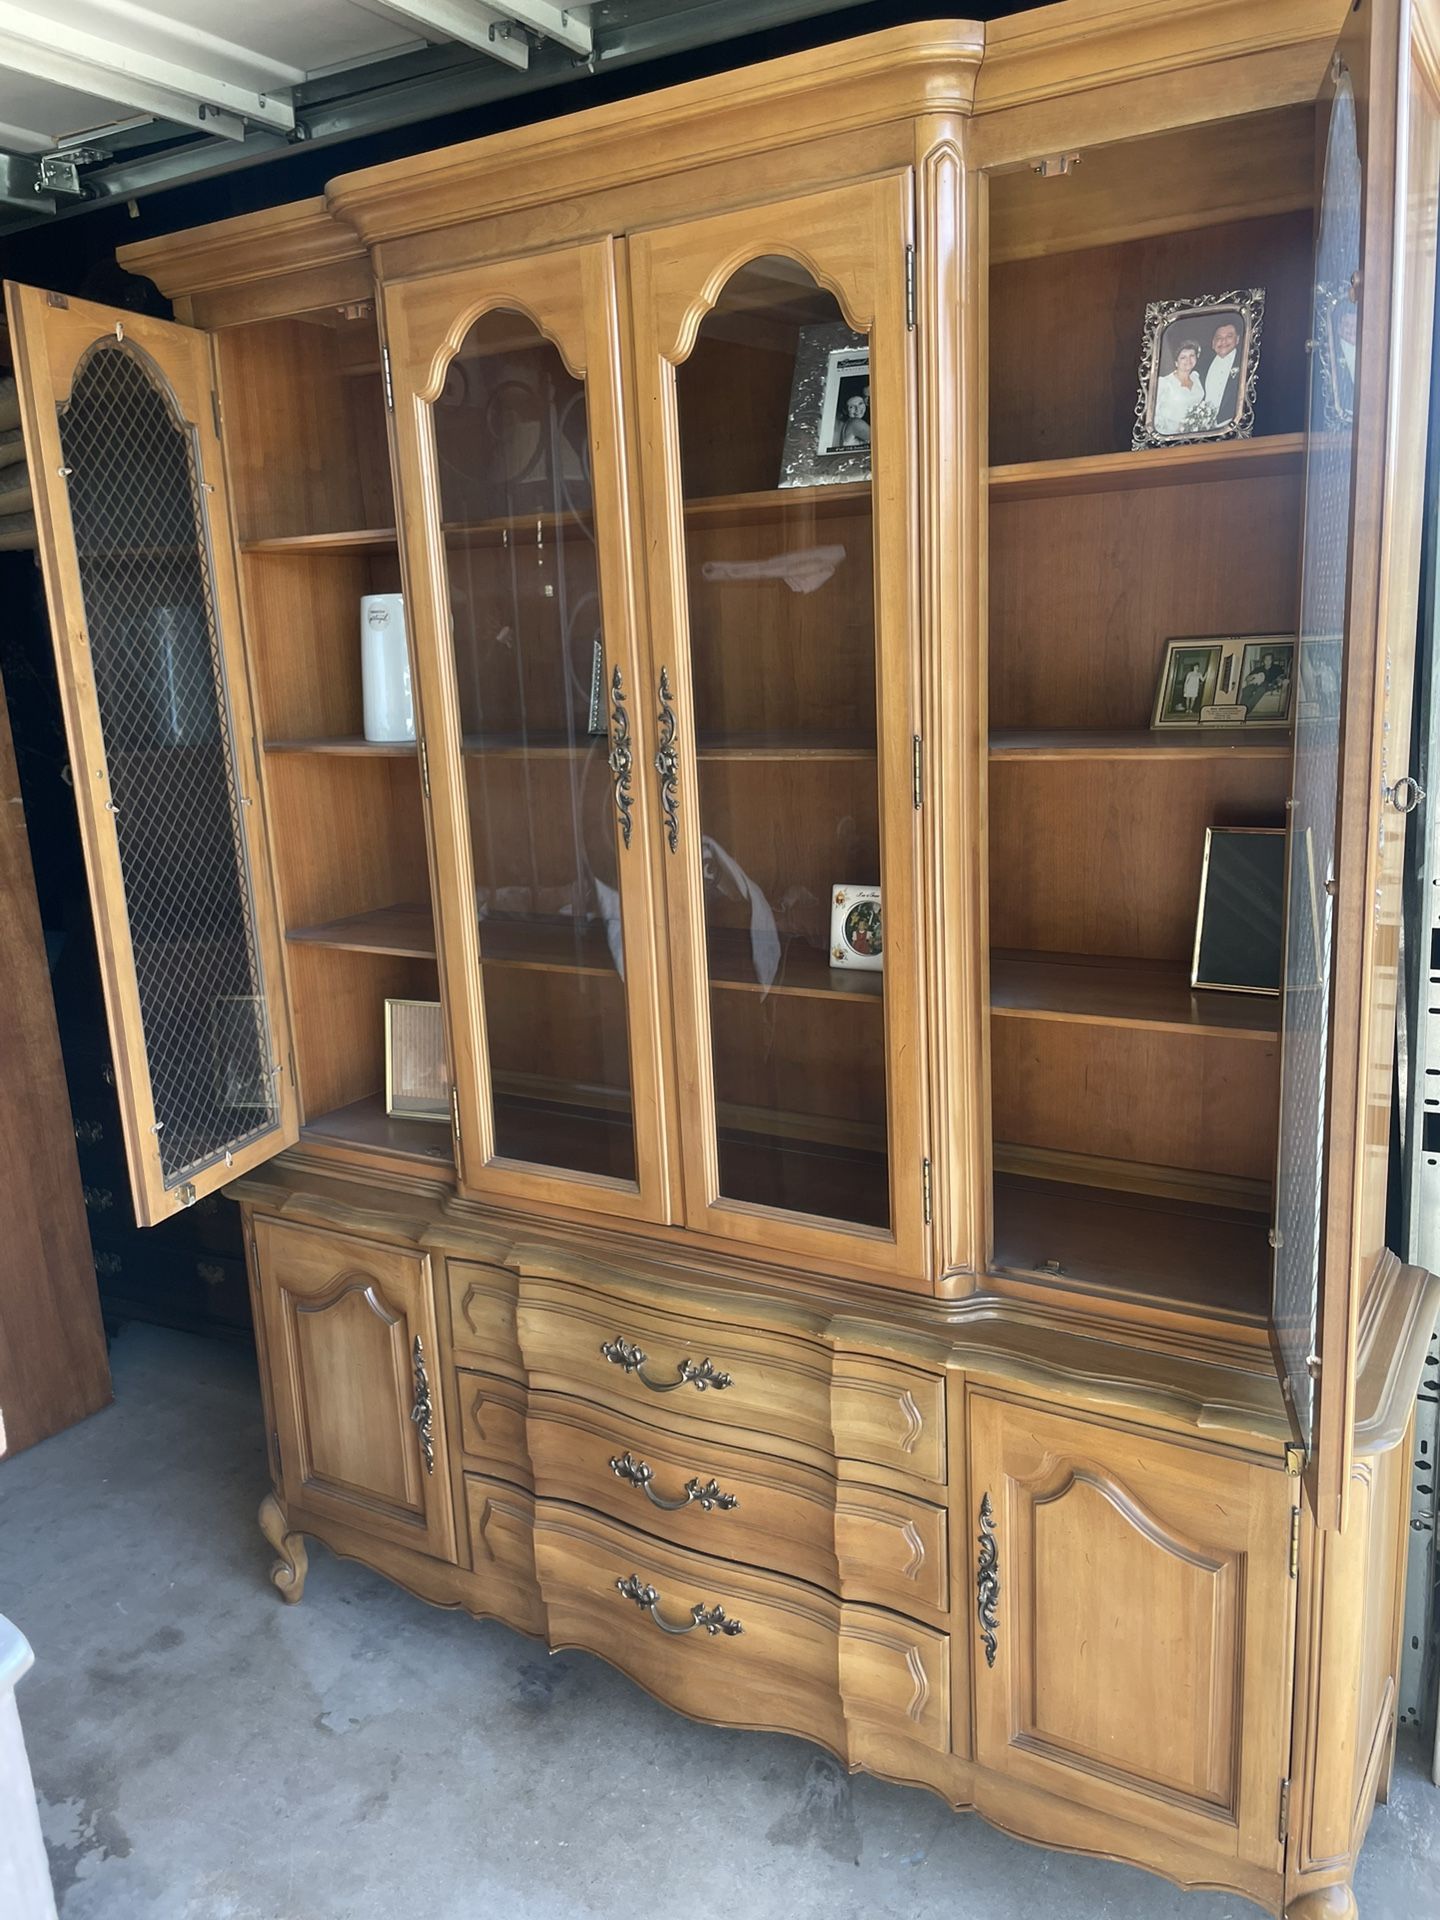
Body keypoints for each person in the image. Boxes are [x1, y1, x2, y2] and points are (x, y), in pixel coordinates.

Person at [1152, 338, 1208, 436]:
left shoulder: (1196, 377)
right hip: (1171, 435)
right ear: (1176, 362)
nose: (1188, 360)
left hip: (1194, 434)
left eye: (1192, 355)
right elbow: (1153, 414)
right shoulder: (1164, 383)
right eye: (1183, 357)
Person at [1202, 318, 1243, 424]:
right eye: (1219, 338)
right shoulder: (1201, 365)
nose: (1223, 341)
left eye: (1229, 336)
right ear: (1213, 343)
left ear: (1237, 339)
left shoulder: (1245, 363)